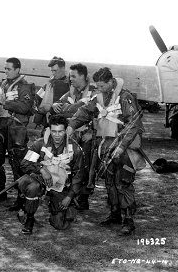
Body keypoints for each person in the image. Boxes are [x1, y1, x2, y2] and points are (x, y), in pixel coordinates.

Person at [67, 67, 145, 235]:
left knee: (123, 183)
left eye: (102, 86)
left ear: (111, 82)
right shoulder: (99, 98)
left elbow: (133, 126)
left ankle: (128, 220)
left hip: (123, 148)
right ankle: (115, 214)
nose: (99, 89)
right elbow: (85, 112)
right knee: (109, 182)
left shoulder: (125, 98)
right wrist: (71, 126)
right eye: (98, 86)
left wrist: (121, 147)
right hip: (105, 147)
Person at [17, 115, 85, 234]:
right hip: (42, 181)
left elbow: (79, 176)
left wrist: (69, 197)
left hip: (60, 185)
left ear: (66, 130)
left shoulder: (75, 148)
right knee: (32, 186)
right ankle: (29, 217)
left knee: (60, 224)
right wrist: (42, 170)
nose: (57, 135)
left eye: (60, 131)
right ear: (49, 130)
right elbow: (25, 163)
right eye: (54, 131)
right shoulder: (40, 144)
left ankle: (54, 204)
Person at [52, 63, 97, 210]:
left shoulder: (93, 93)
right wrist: (54, 105)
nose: (70, 79)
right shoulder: (72, 92)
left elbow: (94, 113)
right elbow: (60, 105)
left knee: (85, 166)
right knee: (69, 164)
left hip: (88, 135)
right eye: (70, 76)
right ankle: (71, 195)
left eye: (73, 76)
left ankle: (83, 198)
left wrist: (93, 133)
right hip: (73, 134)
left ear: (83, 76)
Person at [0, 57, 35, 206]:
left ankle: (21, 197)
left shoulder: (25, 86)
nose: (6, 71)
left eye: (8, 69)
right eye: (5, 68)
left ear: (17, 69)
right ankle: (1, 190)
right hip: (1, 127)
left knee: (17, 164)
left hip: (17, 129)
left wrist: (6, 102)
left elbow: (25, 108)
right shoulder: (1, 84)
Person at [34, 56, 70, 127]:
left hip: (65, 121)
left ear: (63, 68)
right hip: (49, 120)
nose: (53, 73)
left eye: (55, 70)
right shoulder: (49, 84)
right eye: (52, 71)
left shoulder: (70, 84)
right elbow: (37, 99)